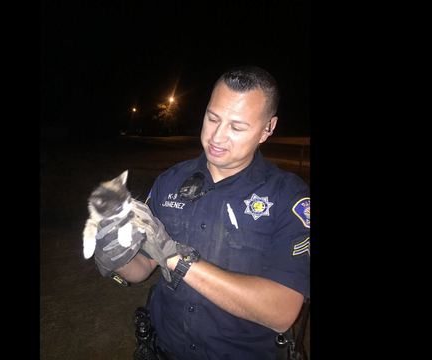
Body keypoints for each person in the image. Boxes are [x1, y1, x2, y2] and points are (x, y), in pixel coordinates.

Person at [94, 66, 310, 359]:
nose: (217, 137)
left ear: (267, 129)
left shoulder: (289, 197)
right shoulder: (170, 181)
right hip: (163, 349)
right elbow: (142, 267)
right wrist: (115, 253)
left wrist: (176, 259)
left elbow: (281, 311)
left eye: (237, 127)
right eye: (212, 118)